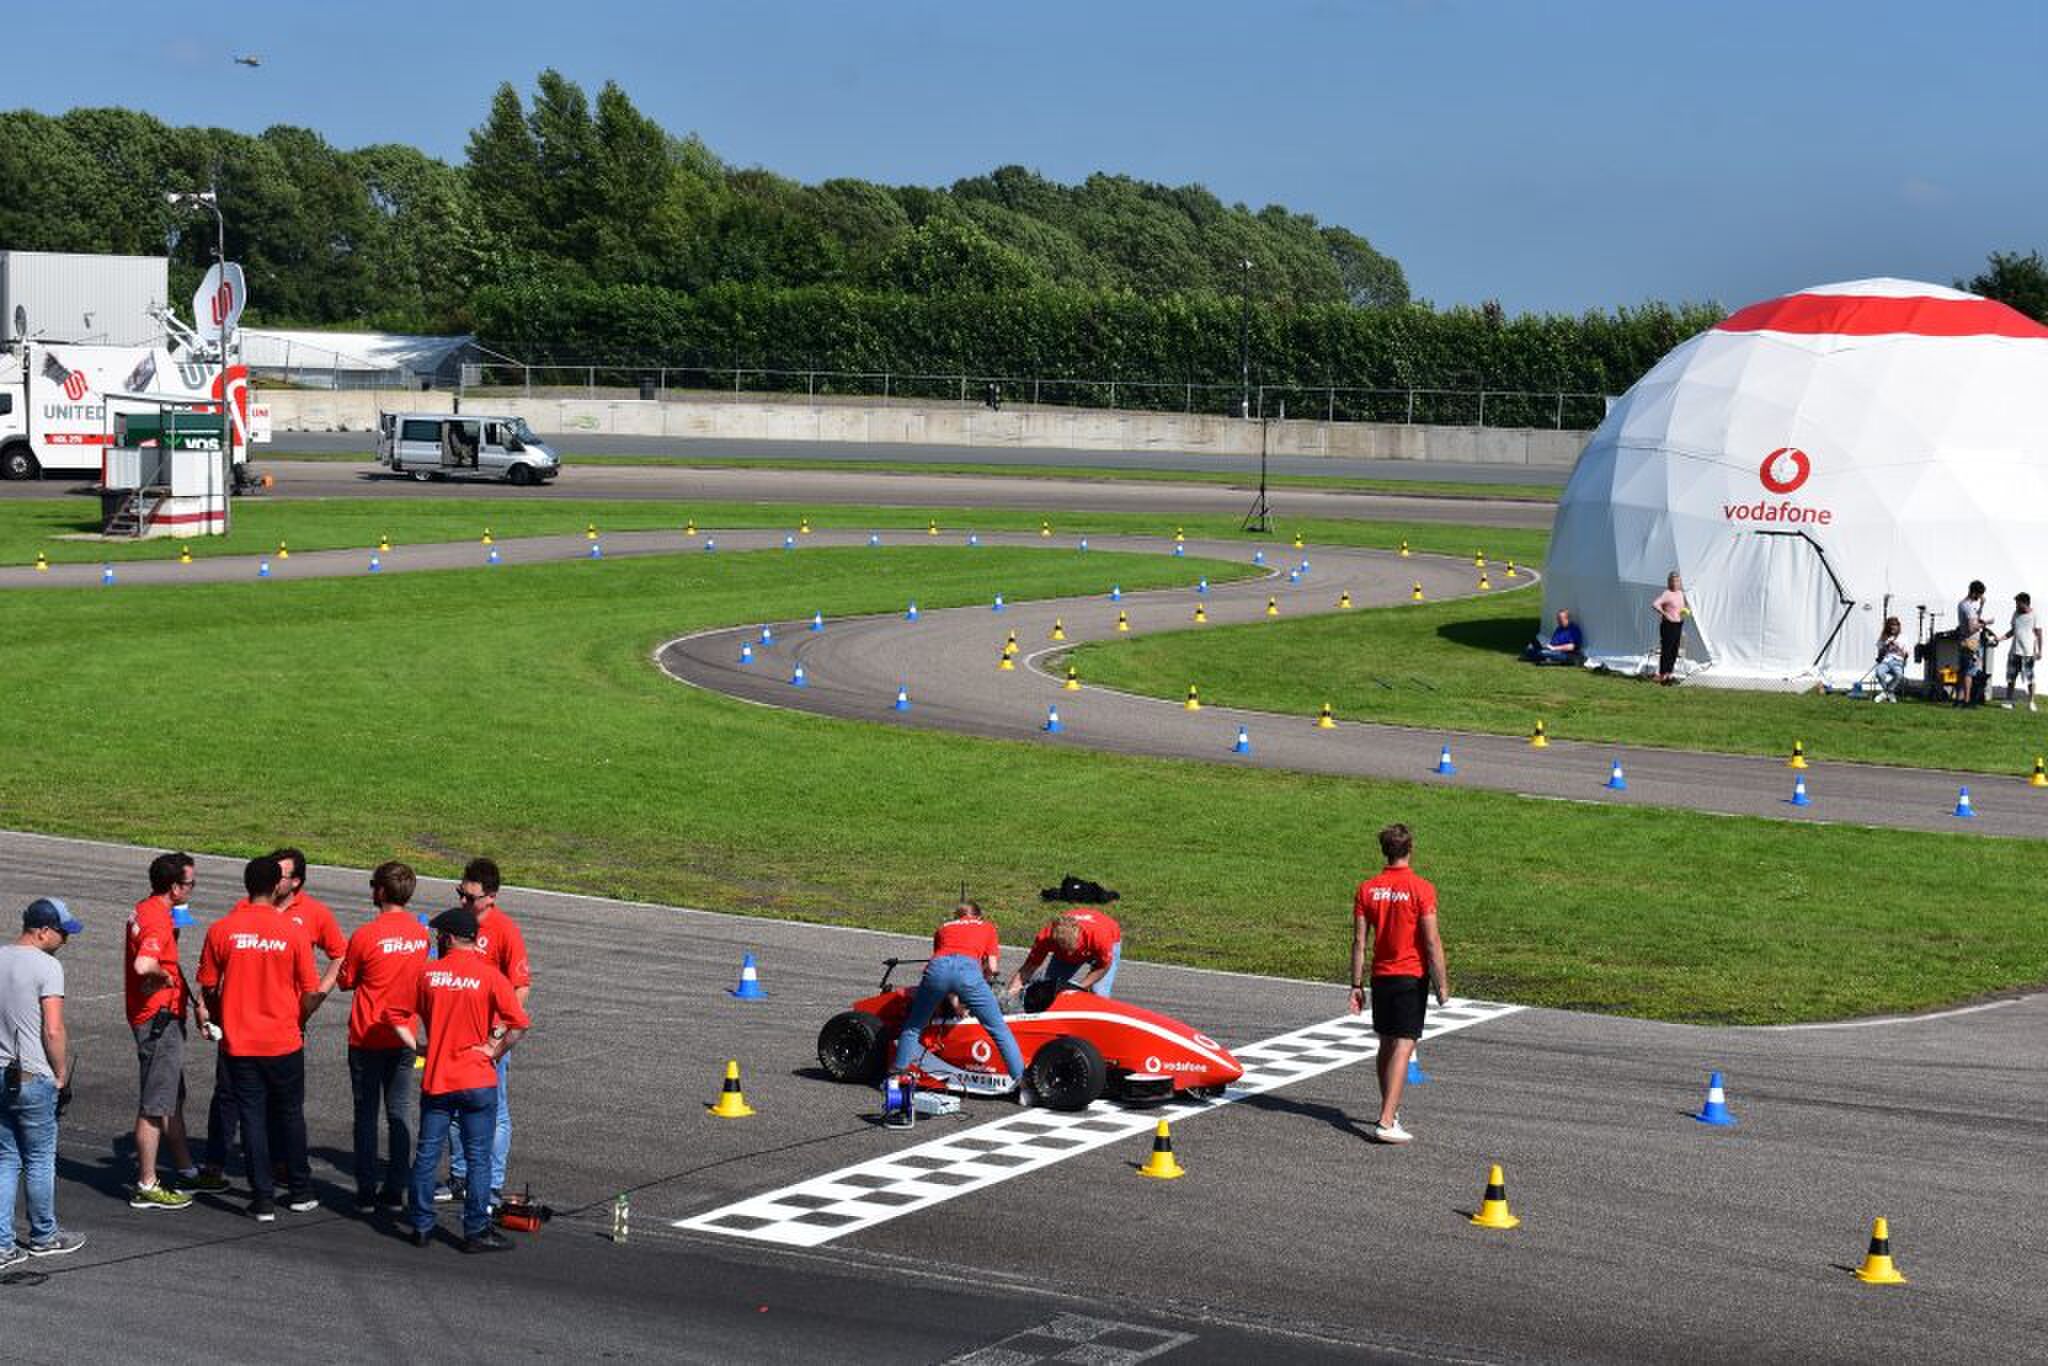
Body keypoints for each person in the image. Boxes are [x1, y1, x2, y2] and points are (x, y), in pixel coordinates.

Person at [394, 906, 528, 1253]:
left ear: (449, 938)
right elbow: (519, 1023)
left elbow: (395, 1014)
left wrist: (418, 1045)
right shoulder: (490, 976)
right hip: (477, 1078)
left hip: (438, 1079)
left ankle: (421, 1226)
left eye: (439, 935)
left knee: (426, 1155)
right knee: (479, 1158)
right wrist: (494, 1050)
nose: (436, 940)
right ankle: (475, 1231)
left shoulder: (427, 974)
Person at [196, 856, 320, 1222]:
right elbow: (310, 990)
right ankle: (300, 1189)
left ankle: (262, 1197)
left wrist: (214, 1017)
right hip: (283, 1039)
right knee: (290, 1114)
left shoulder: (222, 929)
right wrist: (296, 1018)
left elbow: (207, 985)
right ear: (278, 886)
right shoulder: (294, 931)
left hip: (240, 1041)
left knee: (250, 1116)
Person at [336, 861, 430, 1215]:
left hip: (366, 1036)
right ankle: (395, 1189)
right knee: (399, 1114)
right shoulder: (421, 935)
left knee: (366, 1115)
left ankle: (365, 1190)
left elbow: (346, 980)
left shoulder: (366, 935)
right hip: (405, 1037)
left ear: (380, 891)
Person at [1348, 824, 1449, 1146]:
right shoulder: (1421, 889)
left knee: (1387, 1043)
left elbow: (1359, 942)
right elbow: (1431, 941)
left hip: (1381, 976)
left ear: (1384, 851)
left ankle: (1389, 1109)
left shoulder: (1367, 889)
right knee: (1405, 1044)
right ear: (1410, 849)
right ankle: (1386, 1120)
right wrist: (1442, 984)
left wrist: (1356, 984)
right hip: (1409, 976)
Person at [437, 858, 529, 1208]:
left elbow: (520, 988)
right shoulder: (455, 924)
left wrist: (497, 1035)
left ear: (491, 897)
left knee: (497, 1113)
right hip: (455, 1035)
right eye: (460, 893)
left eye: (470, 896)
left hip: (489, 1039)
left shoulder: (505, 931)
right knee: (455, 1110)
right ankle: (460, 1178)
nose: (463, 901)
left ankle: (491, 1185)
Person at [0, 899, 83, 1265]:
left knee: (5, 1158)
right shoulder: (48, 966)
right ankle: (44, 1235)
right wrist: (60, 1072)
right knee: (38, 1159)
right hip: (32, 1076)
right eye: (63, 932)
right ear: (43, 930)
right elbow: (53, 1028)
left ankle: (2, 1243)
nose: (66, 938)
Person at [125, 852, 202, 1210]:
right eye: (190, 884)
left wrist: (191, 999)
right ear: (174, 887)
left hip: (163, 1016)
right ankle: (147, 1183)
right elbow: (145, 964)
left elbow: (166, 958)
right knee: (156, 1103)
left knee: (172, 1097)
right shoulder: (158, 918)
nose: (193, 889)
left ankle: (186, 1169)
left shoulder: (148, 908)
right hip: (159, 1020)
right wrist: (165, 977)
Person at [888, 901, 1026, 1093]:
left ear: (957, 916)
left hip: (937, 970)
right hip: (968, 972)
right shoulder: (987, 927)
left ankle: (895, 1079)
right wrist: (980, 988)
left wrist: (955, 1003)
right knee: (998, 1029)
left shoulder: (943, 927)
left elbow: (946, 970)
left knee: (913, 1026)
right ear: (979, 916)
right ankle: (1023, 1083)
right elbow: (992, 968)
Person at [1003, 907, 1121, 999]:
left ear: (1078, 935)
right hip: (1071, 952)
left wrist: (1080, 988)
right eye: (1063, 948)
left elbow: (1103, 967)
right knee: (1048, 990)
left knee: (1099, 993)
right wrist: (1008, 996)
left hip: (1108, 939)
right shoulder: (1046, 937)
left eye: (1070, 948)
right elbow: (1028, 968)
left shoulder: (1099, 937)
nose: (1069, 953)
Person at [2001, 592, 2040, 712]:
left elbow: (2039, 633)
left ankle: (2031, 702)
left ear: (2025, 603)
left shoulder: (2034, 615)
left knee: (2030, 679)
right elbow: (2013, 630)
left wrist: (2039, 651)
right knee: (2011, 678)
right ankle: (2009, 701)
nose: (2016, 606)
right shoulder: (2015, 614)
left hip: (2028, 653)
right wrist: (2001, 638)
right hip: (2014, 651)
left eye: (2018, 603)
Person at [1954, 581, 1988, 707]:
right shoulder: (1968, 607)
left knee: (1963, 671)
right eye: (1979, 595)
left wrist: (1981, 606)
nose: (1979, 597)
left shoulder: (1963, 604)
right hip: (1971, 641)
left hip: (1964, 640)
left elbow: (1974, 618)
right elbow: (1971, 628)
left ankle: (1958, 699)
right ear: (1974, 592)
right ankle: (1967, 700)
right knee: (1970, 672)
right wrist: (1985, 624)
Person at [1650, 572, 1686, 684]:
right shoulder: (1667, 593)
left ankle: (1670, 674)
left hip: (1678, 623)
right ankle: (1662, 675)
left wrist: (1685, 611)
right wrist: (1665, 614)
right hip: (1668, 625)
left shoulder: (1680, 593)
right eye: (1673, 581)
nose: (1675, 583)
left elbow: (1682, 606)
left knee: (1674, 651)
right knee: (1667, 650)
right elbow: (1655, 604)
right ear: (1669, 582)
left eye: (1677, 581)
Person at [1871, 617, 1908, 703]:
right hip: (1886, 661)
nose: (1893, 627)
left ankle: (1885, 692)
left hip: (1897, 661)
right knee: (1879, 673)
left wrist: (1897, 648)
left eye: (1895, 625)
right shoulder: (1883, 638)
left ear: (1898, 626)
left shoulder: (1903, 637)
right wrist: (1886, 647)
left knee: (1899, 675)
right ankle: (1889, 693)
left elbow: (1906, 654)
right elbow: (1880, 653)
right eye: (1891, 625)